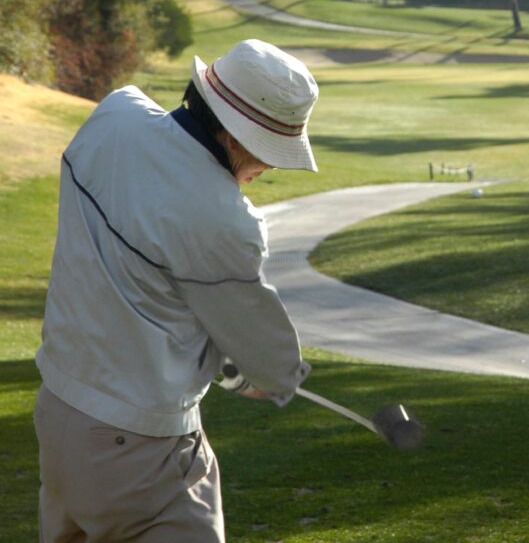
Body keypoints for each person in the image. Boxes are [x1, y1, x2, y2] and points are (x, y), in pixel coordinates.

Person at [33, 39, 317, 542]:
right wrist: (280, 376)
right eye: (270, 151)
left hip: (59, 411)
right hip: (139, 448)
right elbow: (268, 361)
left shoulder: (114, 115)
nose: (270, 167)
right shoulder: (225, 219)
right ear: (234, 137)